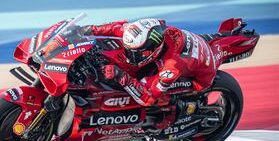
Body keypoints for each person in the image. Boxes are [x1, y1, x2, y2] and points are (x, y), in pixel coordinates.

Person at [81, 18, 217, 108]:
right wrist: (88, 29)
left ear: (153, 50)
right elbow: (116, 27)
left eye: (135, 52)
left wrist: (121, 76)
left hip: (198, 79)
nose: (129, 56)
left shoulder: (171, 67)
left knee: (153, 96)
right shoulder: (144, 32)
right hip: (185, 52)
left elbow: (148, 99)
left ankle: (173, 113)